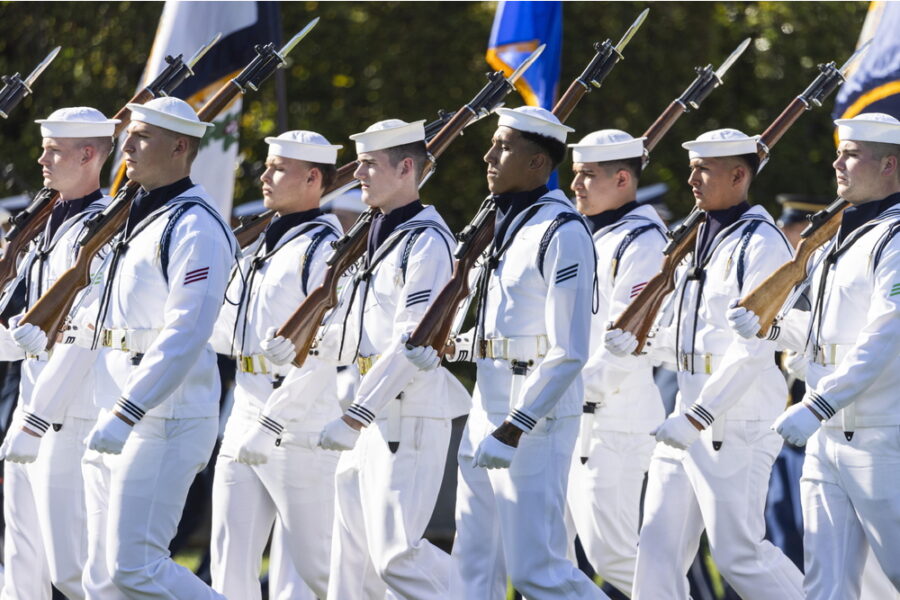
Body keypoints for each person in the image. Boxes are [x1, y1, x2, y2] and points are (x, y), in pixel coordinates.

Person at [14, 96, 236, 599]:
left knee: (136, 568)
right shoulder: (130, 219)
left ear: (180, 146)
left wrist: (127, 411)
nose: (127, 146)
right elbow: (100, 311)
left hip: (163, 417)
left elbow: (186, 332)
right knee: (99, 578)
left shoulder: (196, 224)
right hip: (107, 407)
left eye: (141, 137)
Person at [606, 128, 804, 599]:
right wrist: (640, 343)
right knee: (655, 551)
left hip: (732, 422)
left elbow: (753, 347)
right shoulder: (698, 237)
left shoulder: (763, 244)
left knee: (739, 555)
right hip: (688, 414)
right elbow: (685, 332)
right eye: (692, 166)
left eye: (703, 169)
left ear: (738, 175)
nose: (691, 178)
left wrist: (700, 415)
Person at [277, 118, 468, 599]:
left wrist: (357, 415)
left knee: (396, 557)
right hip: (363, 411)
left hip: (402, 412)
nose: (356, 174)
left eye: (367, 165)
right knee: (352, 570)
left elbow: (411, 337)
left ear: (406, 167)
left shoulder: (427, 240)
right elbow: (353, 328)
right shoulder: (374, 235)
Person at [727, 112, 900, 596]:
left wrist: (819, 402)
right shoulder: (835, 237)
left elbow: (887, 334)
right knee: (825, 585)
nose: (836, 162)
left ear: (889, 164)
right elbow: (816, 328)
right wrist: (769, 325)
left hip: (881, 434)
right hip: (825, 435)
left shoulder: (895, 236)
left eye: (851, 154)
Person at [439, 106, 606, 600]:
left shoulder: (563, 230)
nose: (489, 155)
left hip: (531, 414)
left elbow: (570, 350)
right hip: (484, 403)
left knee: (538, 572)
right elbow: (511, 320)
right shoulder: (504, 225)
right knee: (472, 565)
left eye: (504, 146)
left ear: (538, 163)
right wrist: (463, 344)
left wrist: (515, 426)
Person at [208, 130, 344, 599]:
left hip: (296, 417)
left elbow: (325, 351)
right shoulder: (263, 242)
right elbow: (225, 332)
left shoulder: (324, 248)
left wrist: (273, 420)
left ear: (312, 178)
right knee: (228, 560)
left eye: (278, 168)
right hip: (244, 404)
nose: (264, 175)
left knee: (311, 571)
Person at [0, 107, 117, 600]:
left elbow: (83, 337)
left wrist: (36, 420)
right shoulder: (45, 227)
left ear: (88, 154)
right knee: (21, 561)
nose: (41, 159)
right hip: (31, 404)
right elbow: (17, 327)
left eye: (53, 150)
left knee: (75, 569)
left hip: (70, 416)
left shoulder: (108, 230)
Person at [565, 129, 667, 596]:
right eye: (575, 175)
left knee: (613, 553)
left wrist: (565, 392)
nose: (575, 186)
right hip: (569, 416)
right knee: (549, 554)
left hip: (612, 419)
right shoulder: (592, 235)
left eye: (587, 176)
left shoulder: (644, 243)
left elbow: (627, 342)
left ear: (623, 178)